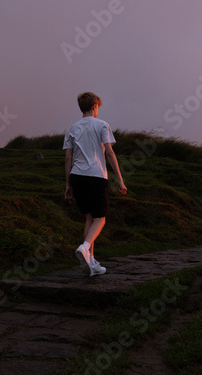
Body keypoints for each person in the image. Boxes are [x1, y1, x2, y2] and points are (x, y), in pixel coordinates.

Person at [63, 92, 127, 276]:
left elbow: (68, 158)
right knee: (100, 219)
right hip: (96, 176)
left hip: (77, 176)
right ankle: (84, 247)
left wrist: (68, 184)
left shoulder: (71, 129)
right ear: (94, 106)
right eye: (98, 106)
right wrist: (120, 179)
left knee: (89, 219)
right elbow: (109, 153)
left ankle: (90, 263)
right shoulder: (102, 125)